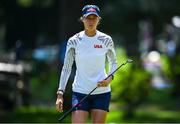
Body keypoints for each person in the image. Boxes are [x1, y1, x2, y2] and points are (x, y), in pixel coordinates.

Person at [55, 4, 117, 123]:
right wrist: (60, 93)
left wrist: (109, 78)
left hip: (102, 93)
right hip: (80, 92)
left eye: (94, 18)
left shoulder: (106, 40)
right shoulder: (74, 41)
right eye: (88, 17)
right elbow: (67, 67)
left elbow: (113, 62)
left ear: (99, 20)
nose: (91, 21)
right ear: (82, 19)